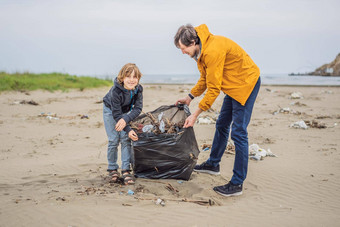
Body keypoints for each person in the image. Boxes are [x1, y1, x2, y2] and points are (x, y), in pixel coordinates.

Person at [174, 24, 261, 197]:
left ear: (192, 41)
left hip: (246, 84)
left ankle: (237, 184)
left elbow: (214, 89)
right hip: (233, 85)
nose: (182, 52)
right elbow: (205, 79)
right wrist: (190, 97)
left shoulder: (212, 51)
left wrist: (195, 115)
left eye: (183, 48)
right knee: (222, 124)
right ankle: (213, 164)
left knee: (238, 133)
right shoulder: (203, 49)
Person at [103, 63, 143, 185]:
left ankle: (126, 169)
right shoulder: (115, 91)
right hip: (111, 111)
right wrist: (128, 128)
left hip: (126, 112)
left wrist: (126, 121)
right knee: (114, 140)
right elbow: (116, 114)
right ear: (122, 78)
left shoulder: (138, 89)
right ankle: (112, 168)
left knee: (126, 139)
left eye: (134, 77)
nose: (131, 80)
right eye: (128, 77)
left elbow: (138, 108)